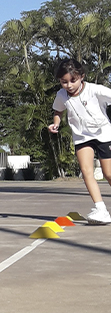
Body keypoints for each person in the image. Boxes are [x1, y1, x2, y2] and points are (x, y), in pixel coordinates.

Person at [48, 57, 111, 224]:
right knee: (86, 171)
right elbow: (58, 111)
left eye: (73, 81)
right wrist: (56, 123)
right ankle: (100, 209)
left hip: (104, 134)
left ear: (81, 76)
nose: (69, 85)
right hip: (82, 137)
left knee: (109, 173)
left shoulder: (95, 90)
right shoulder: (61, 95)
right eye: (64, 82)